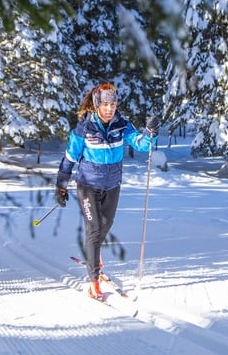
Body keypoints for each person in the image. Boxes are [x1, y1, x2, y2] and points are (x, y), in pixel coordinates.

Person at [55, 83, 160, 299]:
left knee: (105, 225)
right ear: (96, 105)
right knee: (94, 229)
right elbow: (70, 159)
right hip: (88, 185)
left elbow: (140, 144)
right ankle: (93, 281)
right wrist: (61, 185)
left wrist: (150, 133)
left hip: (113, 185)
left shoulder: (121, 125)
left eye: (113, 104)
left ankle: (95, 255)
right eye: (105, 104)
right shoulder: (83, 129)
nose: (110, 108)